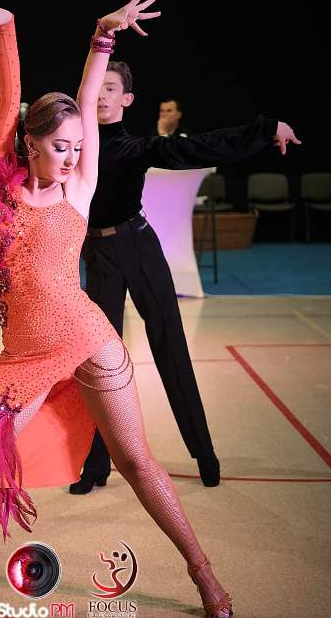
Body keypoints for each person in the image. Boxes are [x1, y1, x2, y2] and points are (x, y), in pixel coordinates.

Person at [0, 0, 236, 618]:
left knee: (136, 462)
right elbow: (8, 100)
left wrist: (102, 35)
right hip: (25, 355)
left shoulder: (79, 187)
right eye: (60, 146)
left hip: (87, 338)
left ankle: (202, 571)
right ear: (28, 144)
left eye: (78, 147)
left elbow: (86, 100)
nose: (73, 157)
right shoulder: (5, 186)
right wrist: (4, 28)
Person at [55, 60, 300, 495]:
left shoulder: (134, 147)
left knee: (170, 347)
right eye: (99, 86)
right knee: (98, 362)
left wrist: (265, 130)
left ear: (127, 99)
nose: (104, 94)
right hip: (97, 255)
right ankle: (96, 464)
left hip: (139, 249)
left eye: (112, 88)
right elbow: (27, 170)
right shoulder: (71, 148)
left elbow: (201, 148)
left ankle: (204, 452)